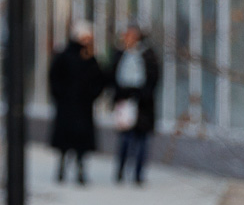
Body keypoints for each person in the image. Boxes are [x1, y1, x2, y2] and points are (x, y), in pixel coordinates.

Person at [47, 23, 108, 184]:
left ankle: (80, 171)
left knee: (81, 142)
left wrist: (92, 95)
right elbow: (54, 78)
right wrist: (60, 95)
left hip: (83, 107)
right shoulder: (64, 55)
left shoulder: (90, 58)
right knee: (65, 142)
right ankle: (61, 169)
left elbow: (100, 80)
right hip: (67, 106)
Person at [109, 23, 161, 185]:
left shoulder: (148, 55)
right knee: (125, 139)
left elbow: (154, 78)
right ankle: (121, 170)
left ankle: (138, 174)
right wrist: (122, 94)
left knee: (142, 140)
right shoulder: (119, 54)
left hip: (144, 104)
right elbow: (111, 76)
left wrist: (140, 94)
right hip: (125, 103)